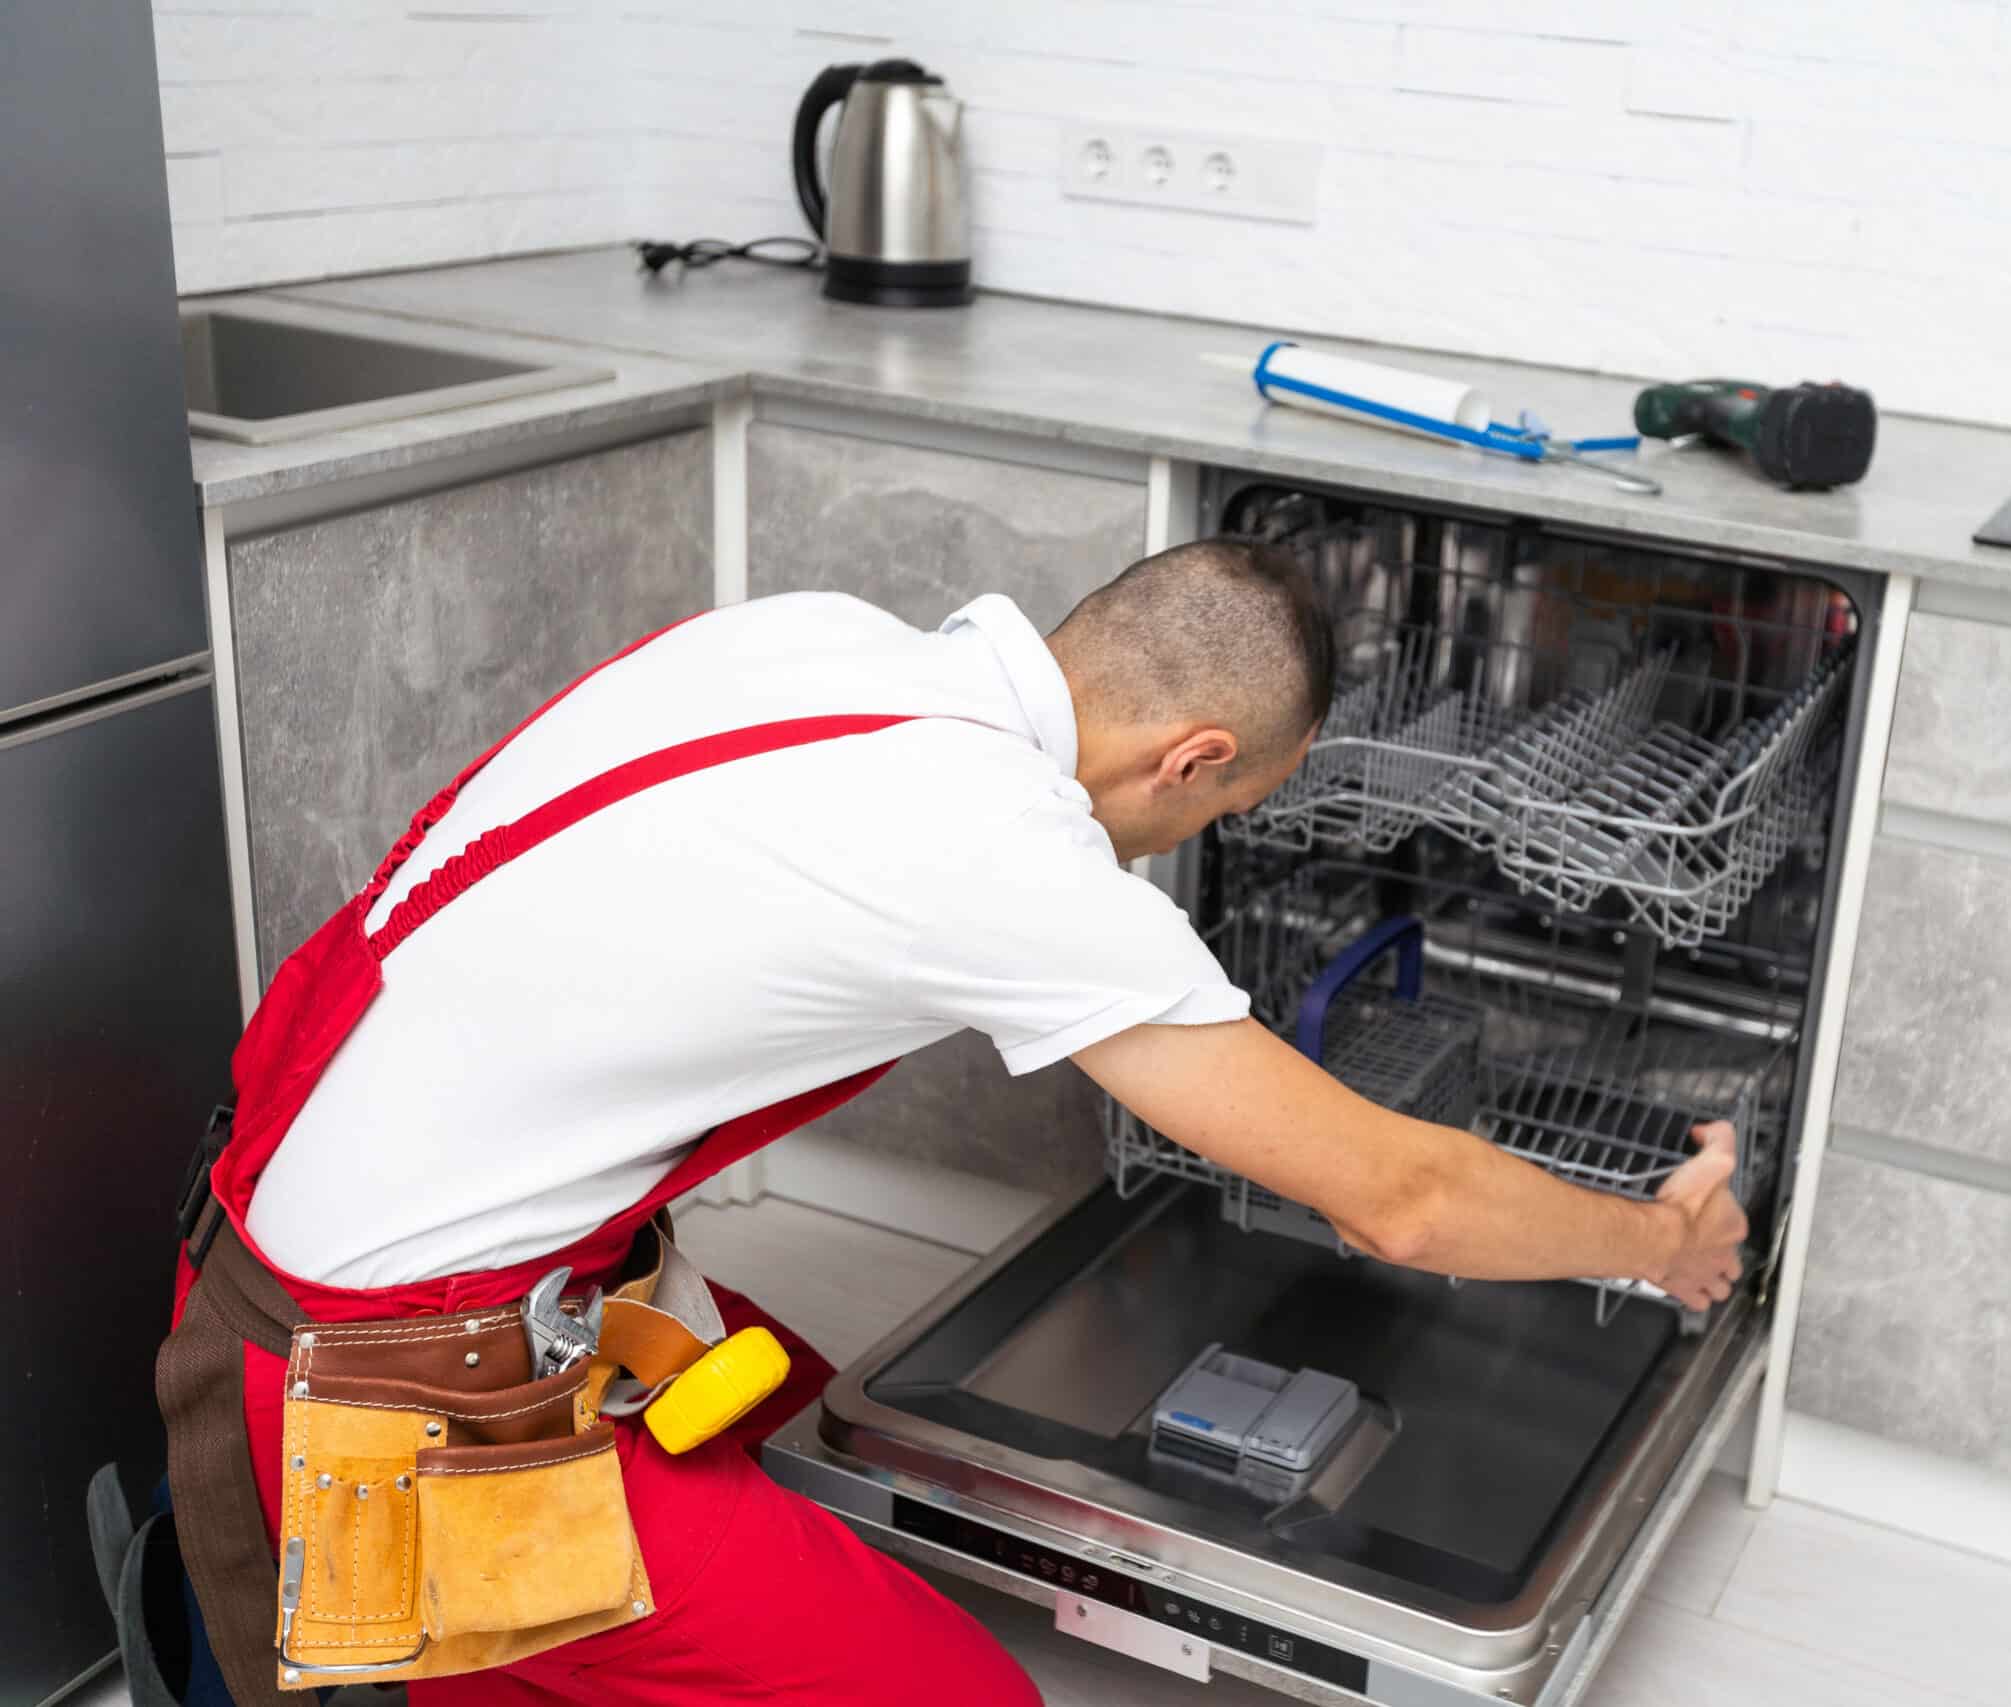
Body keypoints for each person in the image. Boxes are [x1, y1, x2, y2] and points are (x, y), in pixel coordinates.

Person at [161, 538, 1749, 1706]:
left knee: (782, 1402)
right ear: (1192, 756)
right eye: (1218, 814)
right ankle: (425, 1653)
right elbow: (1397, 1197)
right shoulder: (1002, 848)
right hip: (378, 1407)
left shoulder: (811, 639)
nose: (1185, 848)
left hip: (263, 1232)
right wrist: (1663, 1239)